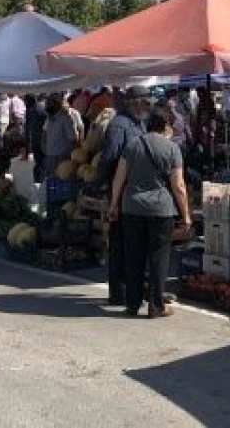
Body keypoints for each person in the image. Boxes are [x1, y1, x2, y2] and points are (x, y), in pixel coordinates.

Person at [107, 106, 191, 318]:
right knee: (158, 258)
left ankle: (132, 305)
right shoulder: (172, 149)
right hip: (161, 211)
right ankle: (156, 306)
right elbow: (179, 186)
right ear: (166, 125)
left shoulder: (133, 145)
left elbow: (119, 178)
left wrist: (113, 205)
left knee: (133, 257)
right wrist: (186, 216)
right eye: (171, 125)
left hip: (131, 208)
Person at [97, 86, 152, 305]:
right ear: (132, 102)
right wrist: (104, 184)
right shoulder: (119, 125)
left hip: (136, 190)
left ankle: (133, 289)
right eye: (144, 101)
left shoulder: (139, 123)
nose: (148, 105)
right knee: (119, 242)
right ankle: (118, 292)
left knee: (133, 242)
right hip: (121, 190)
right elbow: (109, 157)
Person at [42, 94, 80, 176]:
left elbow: (73, 139)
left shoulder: (65, 119)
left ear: (56, 104)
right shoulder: (49, 118)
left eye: (49, 103)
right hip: (50, 156)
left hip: (61, 157)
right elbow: (44, 134)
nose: (46, 106)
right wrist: (44, 147)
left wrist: (69, 155)